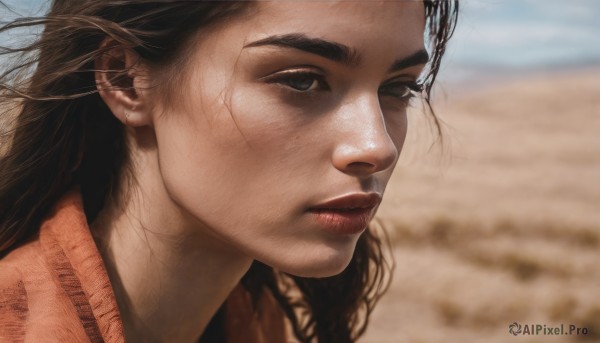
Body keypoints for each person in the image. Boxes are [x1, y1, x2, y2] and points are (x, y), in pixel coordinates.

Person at [0, 1, 458, 342]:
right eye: (301, 80)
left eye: (398, 88)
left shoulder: (255, 318)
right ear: (125, 79)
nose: (376, 146)